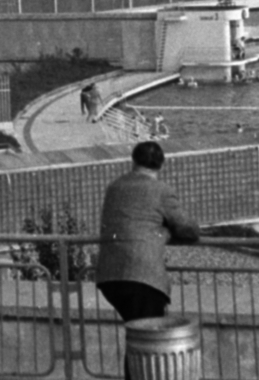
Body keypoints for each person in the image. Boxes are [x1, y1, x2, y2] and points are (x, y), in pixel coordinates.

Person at [96, 141, 200, 380]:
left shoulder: (115, 187)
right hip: (142, 276)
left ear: (133, 161)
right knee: (148, 345)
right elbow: (187, 228)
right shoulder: (162, 191)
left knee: (139, 338)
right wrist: (166, 229)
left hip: (110, 275)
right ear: (161, 165)